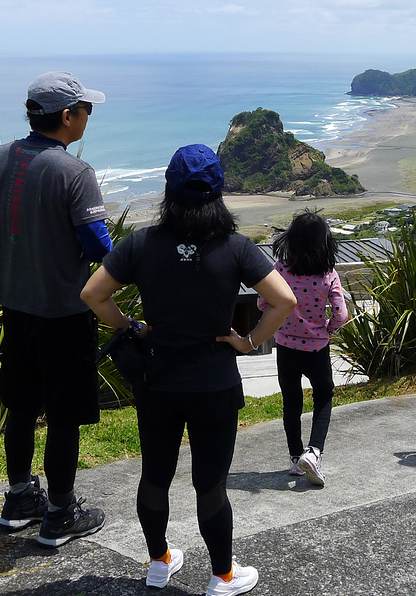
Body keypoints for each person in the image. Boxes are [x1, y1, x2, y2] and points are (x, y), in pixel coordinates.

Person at [82, 144, 296, 596]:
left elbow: (93, 294)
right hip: (214, 382)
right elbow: (284, 301)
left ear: (168, 190)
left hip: (157, 378)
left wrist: (132, 326)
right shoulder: (236, 247)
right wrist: (249, 342)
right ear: (218, 193)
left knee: (155, 476)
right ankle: (222, 576)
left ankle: (159, 562)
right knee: (210, 484)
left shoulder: (140, 243)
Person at [0, 71, 111, 546]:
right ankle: (60, 514)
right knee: (64, 415)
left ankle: (19, 499)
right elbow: (99, 245)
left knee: (22, 406)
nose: (88, 116)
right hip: (63, 311)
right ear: (67, 116)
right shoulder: (75, 172)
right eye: (85, 109)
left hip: (15, 305)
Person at [259, 210, 349, 486]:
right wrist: (327, 330)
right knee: (323, 395)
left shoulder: (280, 269)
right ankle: (314, 451)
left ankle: (295, 457)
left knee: (291, 402)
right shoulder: (328, 273)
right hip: (317, 349)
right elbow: (341, 314)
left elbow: (263, 304)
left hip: (285, 346)